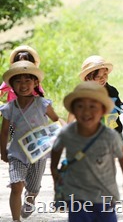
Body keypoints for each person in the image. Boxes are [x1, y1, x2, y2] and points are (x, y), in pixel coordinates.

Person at [51, 82, 123, 221]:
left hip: (105, 194)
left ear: (102, 110)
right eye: (80, 106)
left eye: (92, 107)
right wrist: (55, 172)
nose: (86, 112)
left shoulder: (110, 136)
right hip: (77, 195)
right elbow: (56, 150)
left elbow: (122, 155)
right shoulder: (67, 133)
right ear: (73, 110)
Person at [1, 61, 62, 221]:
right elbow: (5, 132)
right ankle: (16, 219)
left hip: (38, 153)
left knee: (33, 187)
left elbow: (56, 120)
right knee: (16, 185)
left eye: (27, 81)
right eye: (18, 81)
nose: (23, 85)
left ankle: (31, 199)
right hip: (17, 153)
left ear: (35, 83)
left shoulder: (42, 104)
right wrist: (3, 151)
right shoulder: (9, 108)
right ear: (12, 85)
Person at [65, 56, 123, 135]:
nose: (102, 79)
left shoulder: (112, 91)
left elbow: (119, 106)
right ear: (87, 79)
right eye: (98, 77)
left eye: (105, 74)